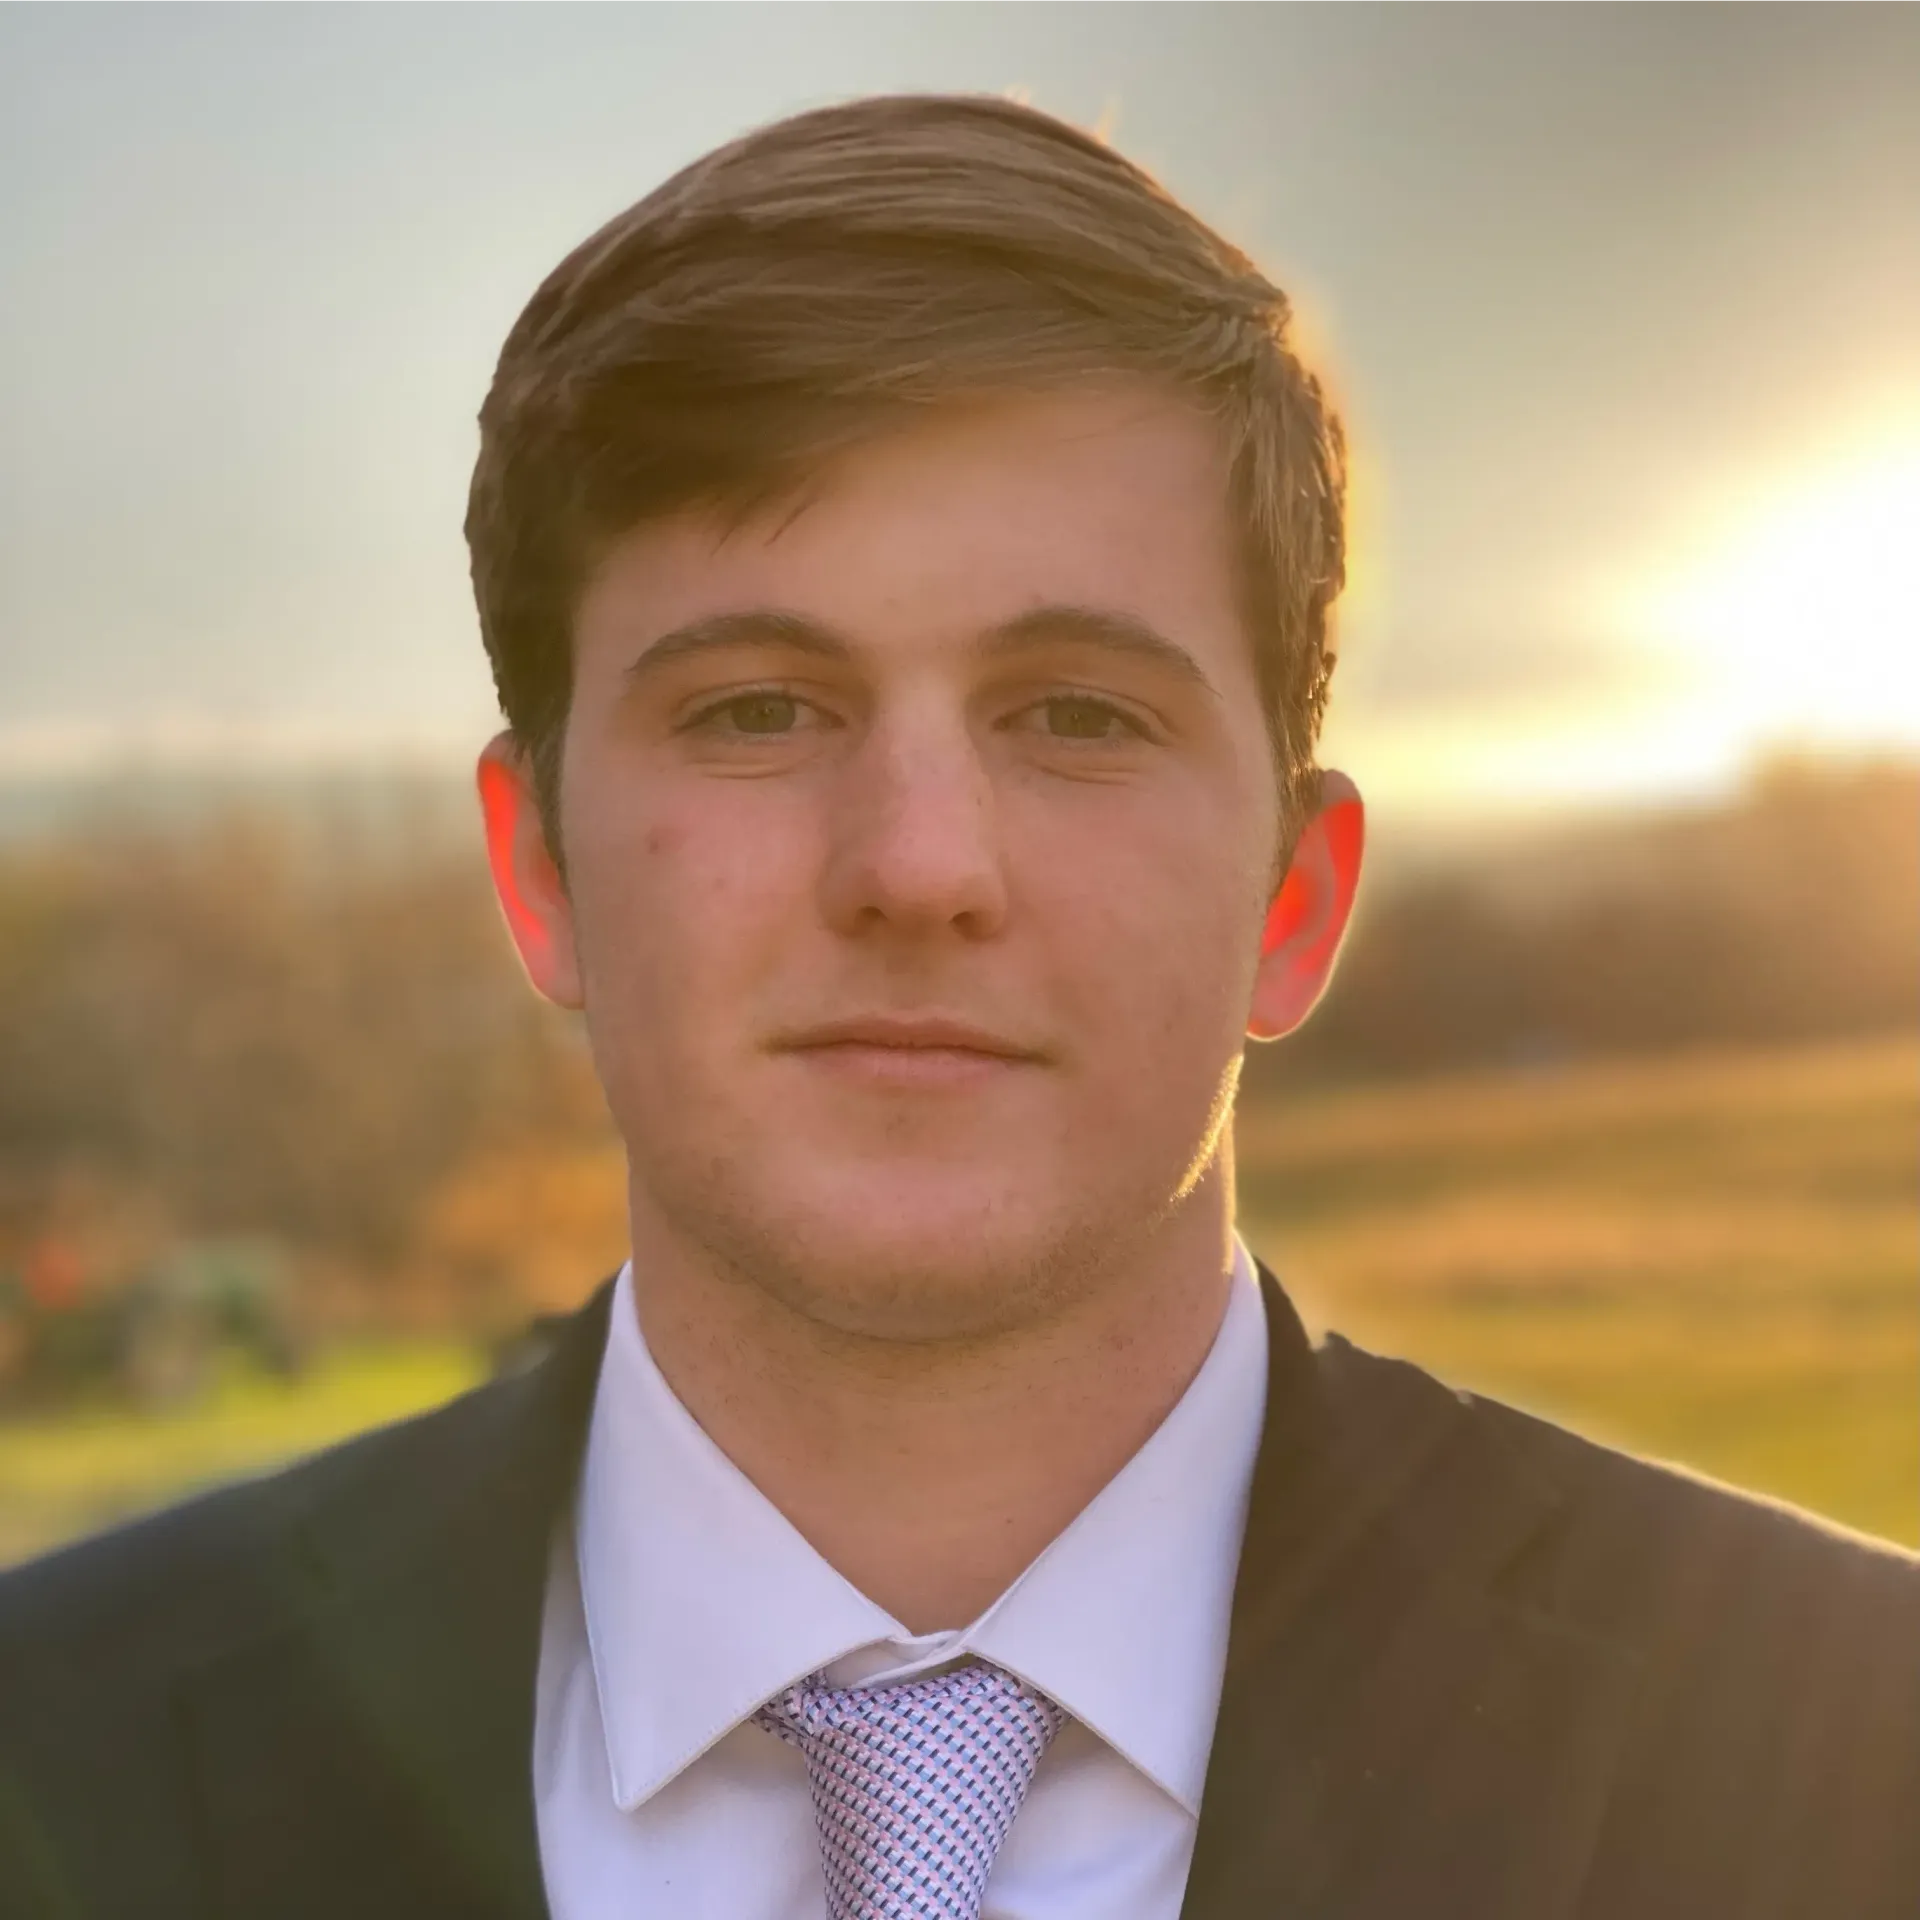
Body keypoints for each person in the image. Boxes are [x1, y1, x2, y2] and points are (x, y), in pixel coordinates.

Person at [0, 92, 1914, 1920]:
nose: (919, 866)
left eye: (1078, 715)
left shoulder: (1854, 1764)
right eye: (758, 709)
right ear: (541, 870)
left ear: (1295, 900)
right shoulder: (51, 1757)